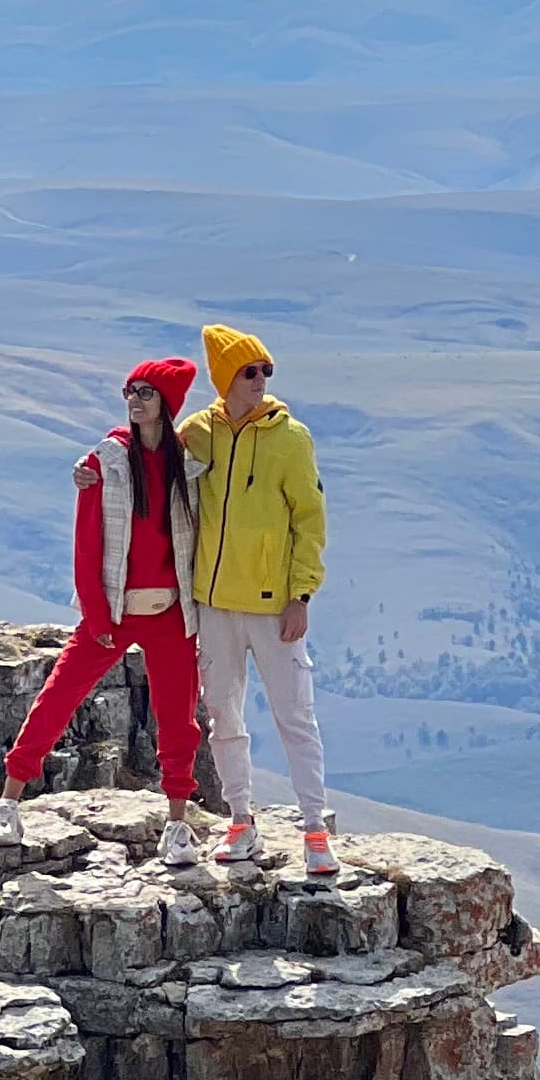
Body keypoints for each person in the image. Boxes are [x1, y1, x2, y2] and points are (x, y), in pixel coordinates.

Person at [0, 355, 204, 865]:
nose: (134, 399)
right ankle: (7, 802)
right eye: (130, 389)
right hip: (114, 610)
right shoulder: (104, 463)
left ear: (166, 405)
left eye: (145, 392)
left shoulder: (189, 464)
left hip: (173, 612)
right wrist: (97, 614)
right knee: (59, 695)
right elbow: (87, 543)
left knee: (178, 718)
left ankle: (177, 826)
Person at [183, 323, 338, 879]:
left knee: (296, 716)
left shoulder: (291, 438)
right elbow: (152, 465)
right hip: (214, 605)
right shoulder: (199, 432)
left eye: (266, 370)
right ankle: (240, 820)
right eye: (250, 371)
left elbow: (309, 520)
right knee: (223, 716)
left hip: (274, 608)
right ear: (225, 378)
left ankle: (316, 830)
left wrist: (301, 594)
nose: (261, 379)